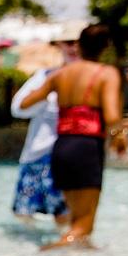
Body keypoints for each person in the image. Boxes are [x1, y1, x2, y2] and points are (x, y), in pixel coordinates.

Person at [20, 24, 125, 250]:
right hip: (87, 148)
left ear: (80, 45)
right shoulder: (106, 73)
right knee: (83, 225)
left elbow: (25, 102)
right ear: (106, 47)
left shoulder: (60, 74)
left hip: (62, 148)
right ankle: (53, 249)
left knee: (76, 219)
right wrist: (120, 136)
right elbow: (112, 115)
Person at [8, 33, 81, 227]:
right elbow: (17, 108)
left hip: (70, 157)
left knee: (64, 215)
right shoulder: (45, 76)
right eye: (69, 42)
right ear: (59, 45)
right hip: (38, 155)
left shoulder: (90, 78)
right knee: (24, 213)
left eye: (78, 42)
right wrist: (49, 90)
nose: (74, 47)